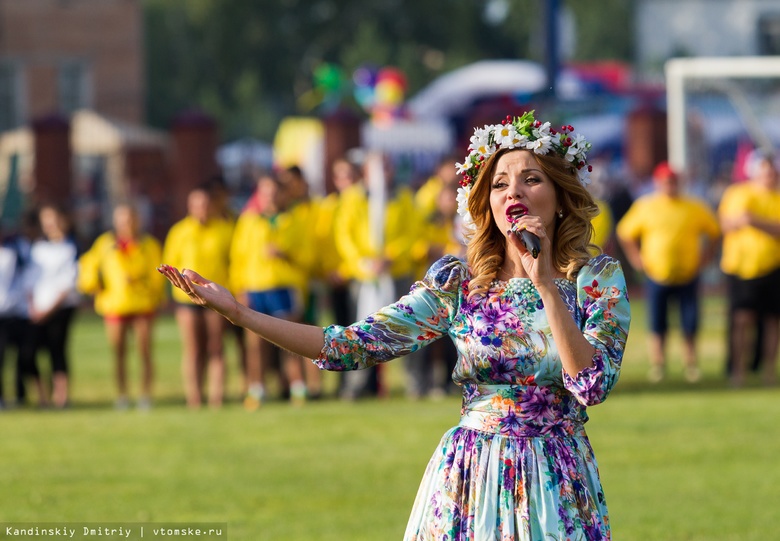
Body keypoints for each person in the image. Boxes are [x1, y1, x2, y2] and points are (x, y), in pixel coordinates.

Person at [159, 110, 630, 540]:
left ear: (560, 197)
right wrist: (239, 313)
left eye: (532, 179)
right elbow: (348, 347)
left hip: (558, 478)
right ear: (486, 201)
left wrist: (547, 286)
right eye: (501, 183)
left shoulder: (595, 279)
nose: (515, 192)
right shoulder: (458, 283)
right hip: (471, 476)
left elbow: (591, 386)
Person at [617, 161, 720, 383]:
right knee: (657, 322)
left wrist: (706, 257)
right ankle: (658, 364)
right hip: (657, 274)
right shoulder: (646, 206)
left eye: (673, 181)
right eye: (665, 182)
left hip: (688, 273)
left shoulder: (694, 206)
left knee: (690, 321)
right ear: (658, 183)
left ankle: (691, 364)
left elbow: (714, 230)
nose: (669, 185)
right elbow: (625, 232)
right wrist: (636, 258)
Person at [230, 173, 310, 409]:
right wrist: (240, 288)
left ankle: (298, 387)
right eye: (265, 193)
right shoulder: (249, 221)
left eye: (274, 192)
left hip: (284, 286)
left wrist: (286, 254)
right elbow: (238, 258)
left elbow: (309, 256)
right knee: (256, 343)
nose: (270, 198)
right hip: (256, 287)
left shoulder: (294, 220)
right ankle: (257, 388)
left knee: (291, 340)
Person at [78, 203, 165, 409]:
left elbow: (158, 275)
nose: (127, 223)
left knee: (145, 352)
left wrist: (150, 291)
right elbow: (88, 266)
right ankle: (122, 395)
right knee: (119, 353)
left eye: (130, 218)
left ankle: (145, 395)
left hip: (142, 303)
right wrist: (92, 285)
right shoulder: (105, 244)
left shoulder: (148, 244)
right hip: (115, 304)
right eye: (122, 219)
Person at [163, 187, 234, 408]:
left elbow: (233, 261)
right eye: (197, 204)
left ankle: (216, 398)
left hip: (215, 296)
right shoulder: (179, 232)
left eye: (205, 204)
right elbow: (170, 263)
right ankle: (194, 398)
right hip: (187, 298)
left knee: (216, 346)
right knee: (193, 349)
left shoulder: (224, 230)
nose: (201, 209)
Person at [718, 149, 780, 387]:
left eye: (772, 172)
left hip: (773, 266)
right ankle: (738, 371)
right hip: (741, 268)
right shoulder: (737, 193)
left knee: (772, 321)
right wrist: (743, 221)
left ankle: (768, 372)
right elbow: (726, 223)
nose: (769, 176)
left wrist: (754, 221)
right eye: (765, 172)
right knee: (742, 319)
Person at [27, 204, 81, 408]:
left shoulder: (71, 247)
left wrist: (49, 308)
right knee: (30, 352)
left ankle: (61, 398)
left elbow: (69, 282)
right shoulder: (38, 248)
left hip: (61, 307)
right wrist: (33, 306)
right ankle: (41, 397)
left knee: (57, 351)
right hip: (37, 308)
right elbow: (30, 280)